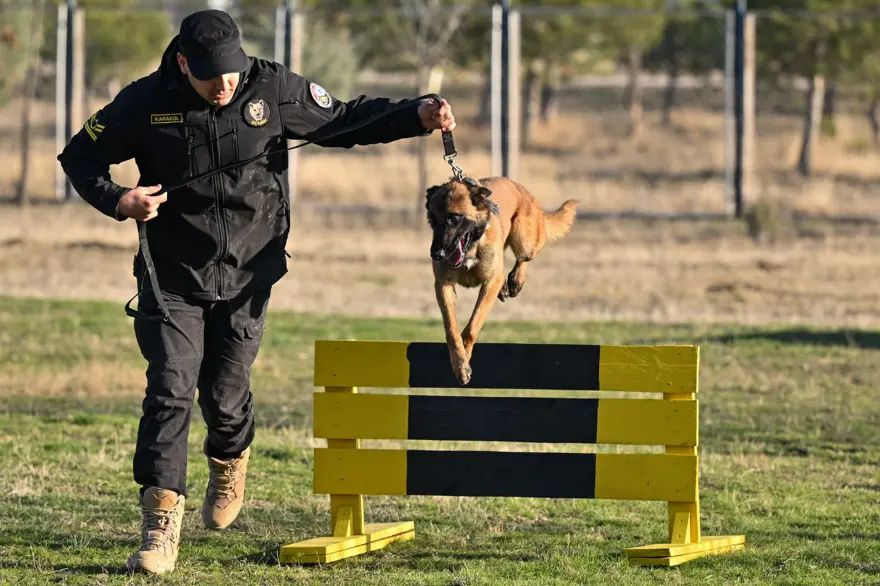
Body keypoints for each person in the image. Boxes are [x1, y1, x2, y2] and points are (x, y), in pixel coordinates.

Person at [57, 9, 455, 576]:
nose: (224, 85)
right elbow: (80, 155)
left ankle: (229, 457)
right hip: (173, 273)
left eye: (231, 72)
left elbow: (344, 120)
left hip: (249, 272)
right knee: (170, 388)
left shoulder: (270, 85)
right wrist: (120, 200)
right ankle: (160, 523)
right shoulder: (144, 100)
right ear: (182, 63)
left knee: (225, 393)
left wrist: (415, 115)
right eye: (210, 76)